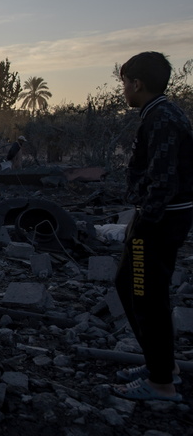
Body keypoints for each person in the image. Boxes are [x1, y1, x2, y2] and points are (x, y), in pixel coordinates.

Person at [111, 52, 193, 402]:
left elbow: (162, 179)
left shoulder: (160, 119)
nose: (124, 90)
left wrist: (145, 220)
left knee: (145, 294)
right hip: (164, 216)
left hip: (159, 221)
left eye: (125, 83)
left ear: (137, 84)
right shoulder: (163, 113)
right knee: (132, 285)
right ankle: (162, 365)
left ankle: (161, 383)